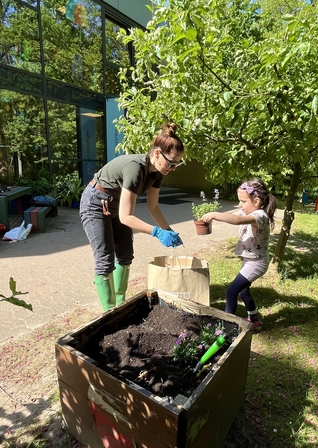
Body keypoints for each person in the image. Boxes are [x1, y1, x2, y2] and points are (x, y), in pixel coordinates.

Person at [80, 122, 184, 312]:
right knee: (105, 258)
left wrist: (168, 230)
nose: (174, 168)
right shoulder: (136, 168)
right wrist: (157, 232)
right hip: (95, 203)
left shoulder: (157, 173)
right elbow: (126, 217)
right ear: (158, 154)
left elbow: (153, 207)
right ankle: (109, 312)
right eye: (171, 162)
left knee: (126, 254)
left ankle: (120, 303)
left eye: (178, 163)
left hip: (115, 204)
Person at [201, 178, 277, 331]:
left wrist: (215, 214)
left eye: (243, 201)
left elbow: (238, 220)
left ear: (256, 201)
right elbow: (235, 215)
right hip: (251, 260)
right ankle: (254, 320)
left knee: (231, 291)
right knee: (243, 289)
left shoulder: (260, 215)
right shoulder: (249, 210)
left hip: (257, 262)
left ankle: (226, 327)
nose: (240, 205)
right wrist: (214, 218)